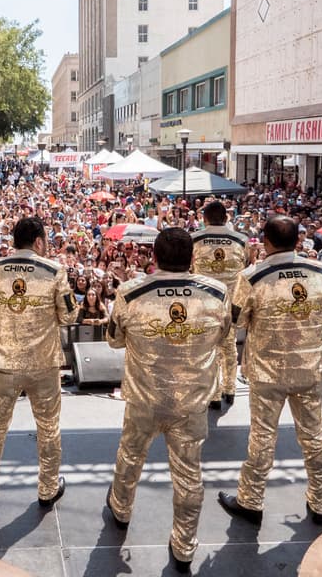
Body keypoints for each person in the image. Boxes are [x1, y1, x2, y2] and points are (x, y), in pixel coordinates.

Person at [103, 227, 230, 573]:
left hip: (144, 396)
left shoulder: (131, 293)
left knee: (130, 455)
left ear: (154, 257)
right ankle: (184, 547)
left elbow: (114, 339)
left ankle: (120, 509)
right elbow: (223, 335)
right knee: (189, 474)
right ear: (192, 258)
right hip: (192, 402)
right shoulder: (217, 293)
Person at [218, 216, 322, 526]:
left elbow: (236, 320)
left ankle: (251, 501)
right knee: (314, 437)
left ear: (265, 241)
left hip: (268, 371)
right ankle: (320, 502)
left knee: (262, 437)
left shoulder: (251, 277)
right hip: (311, 368)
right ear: (298, 240)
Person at [0, 217, 77, 515]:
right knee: (48, 428)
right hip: (44, 364)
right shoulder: (54, 271)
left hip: (4, 363)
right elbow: (69, 315)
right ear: (39, 241)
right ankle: (48, 489)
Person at [190, 200, 248, 410]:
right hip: (230, 303)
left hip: (203, 302)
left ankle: (213, 394)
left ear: (204, 219)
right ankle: (230, 388)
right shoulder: (241, 240)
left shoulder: (195, 239)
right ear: (226, 218)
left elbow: (189, 269)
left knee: (208, 347)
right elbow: (245, 269)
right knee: (229, 346)